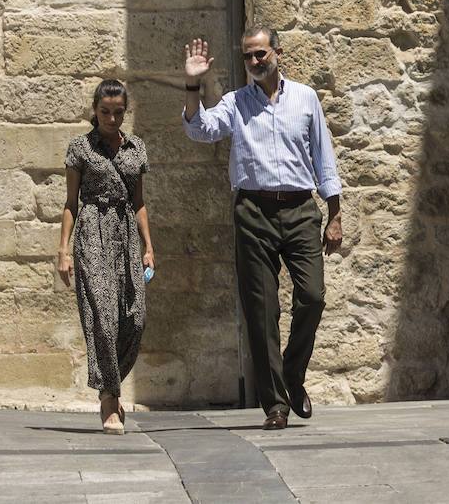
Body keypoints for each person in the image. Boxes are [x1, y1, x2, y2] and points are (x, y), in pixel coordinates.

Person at [182, 27, 343, 430]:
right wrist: (192, 85)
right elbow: (200, 130)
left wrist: (335, 213)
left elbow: (324, 158)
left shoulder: (305, 98)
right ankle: (275, 405)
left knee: (312, 296)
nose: (254, 62)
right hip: (253, 212)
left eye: (260, 54)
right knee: (262, 311)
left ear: (277, 53)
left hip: (301, 208)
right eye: (248, 56)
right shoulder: (236, 103)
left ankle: (292, 375)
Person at [57, 79, 154, 434]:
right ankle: (109, 398)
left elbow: (139, 202)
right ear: (94, 111)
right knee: (103, 319)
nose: (111, 119)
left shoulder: (136, 149)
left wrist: (148, 247)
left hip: (126, 233)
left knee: (135, 317)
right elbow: (70, 203)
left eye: (117, 112)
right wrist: (63, 250)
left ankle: (110, 382)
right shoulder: (80, 149)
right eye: (104, 112)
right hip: (92, 231)